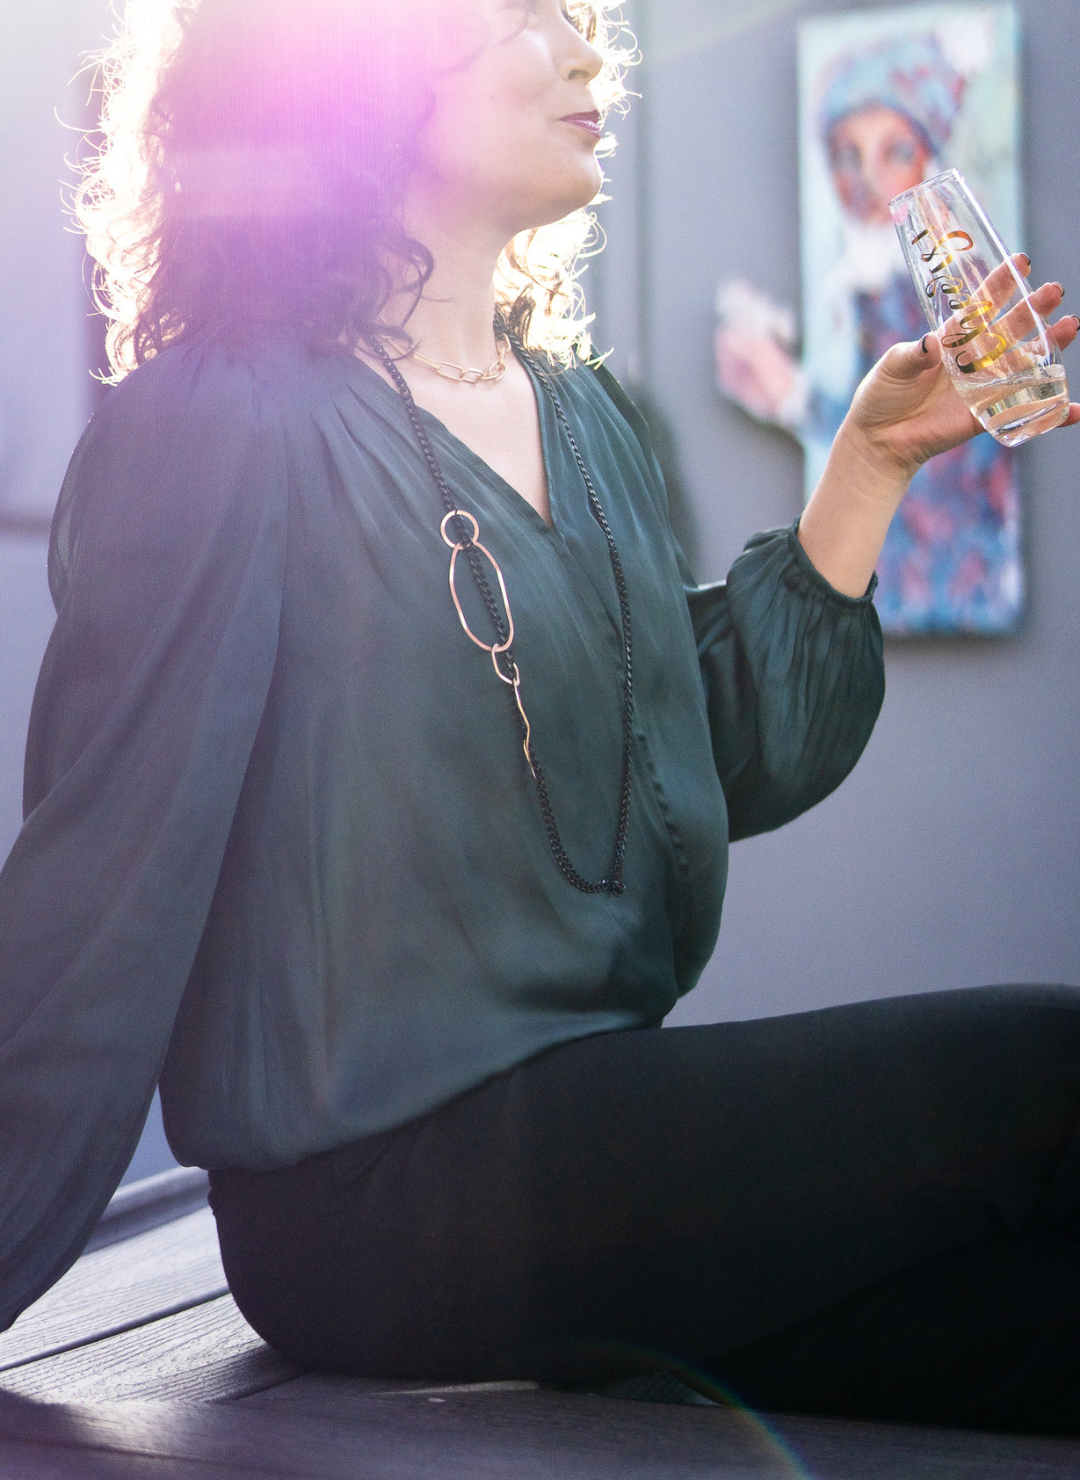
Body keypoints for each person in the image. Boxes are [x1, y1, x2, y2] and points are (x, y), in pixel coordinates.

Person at [2, 0, 1080, 1433]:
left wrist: (871, 467)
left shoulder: (586, 417)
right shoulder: (218, 429)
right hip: (373, 1203)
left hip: (600, 1143)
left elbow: (700, 750)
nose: (587, 54)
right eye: (519, 19)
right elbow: (92, 911)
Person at [716, 31, 1024, 634]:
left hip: (953, 568)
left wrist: (795, 399)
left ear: (930, 155)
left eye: (894, 152)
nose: (867, 180)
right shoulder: (865, 282)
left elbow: (919, 441)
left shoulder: (948, 287)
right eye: (846, 156)